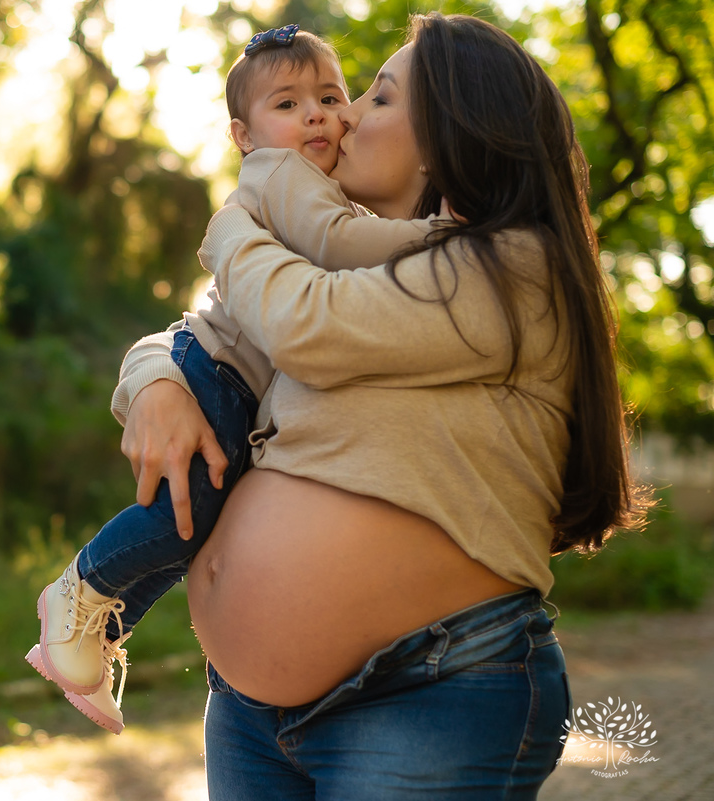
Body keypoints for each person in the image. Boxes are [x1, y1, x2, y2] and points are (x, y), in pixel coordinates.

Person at [116, 12, 646, 799]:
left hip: (426, 695)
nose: (347, 114)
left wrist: (232, 224)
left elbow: (301, 324)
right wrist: (154, 380)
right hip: (248, 715)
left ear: (451, 137)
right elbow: (208, 334)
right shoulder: (346, 268)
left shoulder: (514, 269)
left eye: (381, 97)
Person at [24, 26, 444, 734]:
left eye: (330, 96)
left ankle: (97, 631)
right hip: (214, 369)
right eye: (288, 103)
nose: (315, 113)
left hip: (229, 381)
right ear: (245, 136)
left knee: (193, 520)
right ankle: (77, 589)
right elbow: (338, 246)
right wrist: (444, 240)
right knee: (178, 513)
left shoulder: (323, 188)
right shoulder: (283, 178)